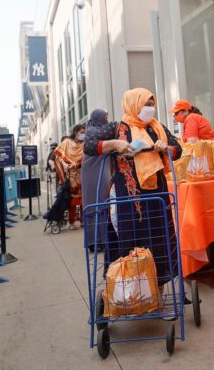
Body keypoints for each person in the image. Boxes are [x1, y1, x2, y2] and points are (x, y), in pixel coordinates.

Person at [84, 88, 182, 288]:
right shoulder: (116, 128)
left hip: (157, 195)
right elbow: (89, 145)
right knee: (130, 238)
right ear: (133, 105)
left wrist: (166, 148)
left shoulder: (157, 128)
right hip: (128, 197)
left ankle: (157, 288)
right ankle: (129, 289)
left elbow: (178, 150)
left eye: (152, 105)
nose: (150, 109)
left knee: (158, 237)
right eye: (146, 104)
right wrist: (114, 144)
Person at [81, 109, 114, 251]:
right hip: (94, 171)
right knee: (98, 203)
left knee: (99, 203)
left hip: (100, 169)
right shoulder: (94, 131)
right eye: (105, 117)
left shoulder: (94, 130)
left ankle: (99, 241)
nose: (107, 120)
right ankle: (97, 241)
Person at [53, 126, 85, 229]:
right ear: (75, 132)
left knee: (83, 200)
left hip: (83, 174)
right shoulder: (67, 142)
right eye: (81, 132)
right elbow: (57, 157)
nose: (83, 134)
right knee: (72, 201)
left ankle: (83, 221)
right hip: (71, 176)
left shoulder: (85, 144)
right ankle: (71, 222)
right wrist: (64, 165)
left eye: (84, 132)